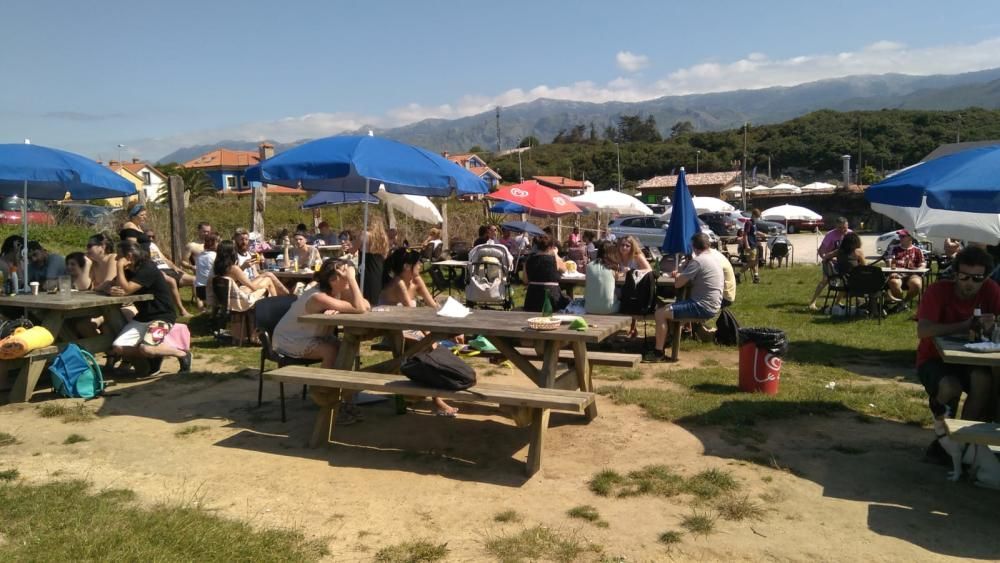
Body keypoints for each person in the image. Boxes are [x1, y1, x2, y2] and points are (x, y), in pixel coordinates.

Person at [916, 246, 1000, 462]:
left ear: (986, 277)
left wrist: (993, 327)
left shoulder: (991, 290)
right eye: (964, 276)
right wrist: (965, 325)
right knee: (950, 387)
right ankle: (942, 437)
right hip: (934, 358)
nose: (970, 283)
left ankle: (963, 439)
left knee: (984, 382)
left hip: (973, 358)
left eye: (977, 278)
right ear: (955, 274)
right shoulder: (938, 291)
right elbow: (923, 330)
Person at [379, 247, 460, 416]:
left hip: (411, 329)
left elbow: (434, 306)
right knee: (431, 350)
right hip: (394, 332)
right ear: (407, 266)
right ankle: (437, 400)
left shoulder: (416, 280)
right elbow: (412, 317)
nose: (421, 265)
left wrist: (452, 328)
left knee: (438, 347)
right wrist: (432, 337)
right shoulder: (399, 283)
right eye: (417, 263)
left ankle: (430, 392)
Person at [109, 240, 191, 374]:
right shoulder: (129, 270)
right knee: (118, 347)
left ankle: (182, 354)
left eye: (119, 255)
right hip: (143, 317)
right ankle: (155, 354)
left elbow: (127, 289)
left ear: (129, 256)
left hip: (162, 316)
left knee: (147, 348)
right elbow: (117, 285)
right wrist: (113, 289)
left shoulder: (148, 268)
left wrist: (119, 267)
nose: (116, 258)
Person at [273, 259, 369, 369]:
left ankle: (340, 379)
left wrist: (341, 309)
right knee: (331, 351)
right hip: (291, 338)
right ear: (333, 280)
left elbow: (366, 306)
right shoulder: (318, 297)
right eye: (345, 273)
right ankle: (323, 381)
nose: (349, 275)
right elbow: (360, 308)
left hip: (317, 336)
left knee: (347, 348)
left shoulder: (337, 289)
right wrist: (351, 280)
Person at [645, 233, 724, 362]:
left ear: (694, 247)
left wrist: (678, 276)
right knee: (667, 309)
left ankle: (658, 353)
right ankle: (666, 341)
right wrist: (682, 275)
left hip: (702, 306)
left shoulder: (698, 261)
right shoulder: (713, 259)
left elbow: (678, 284)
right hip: (712, 304)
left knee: (660, 313)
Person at [145, 228, 194, 317]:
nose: (151, 238)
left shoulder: (153, 245)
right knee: (172, 282)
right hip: (158, 271)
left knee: (195, 280)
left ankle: (200, 307)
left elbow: (164, 259)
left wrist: (175, 267)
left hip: (168, 269)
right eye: (148, 236)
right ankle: (182, 311)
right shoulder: (141, 247)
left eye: (153, 236)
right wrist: (158, 271)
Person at [213, 240, 288, 298]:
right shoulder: (234, 268)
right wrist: (264, 286)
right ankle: (278, 301)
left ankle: (284, 296)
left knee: (267, 275)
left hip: (228, 295)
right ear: (231, 252)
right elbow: (252, 287)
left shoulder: (218, 266)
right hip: (239, 296)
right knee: (268, 280)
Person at [808, 217, 851, 310]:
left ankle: (837, 302)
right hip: (830, 262)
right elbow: (820, 251)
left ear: (847, 226)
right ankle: (812, 302)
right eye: (840, 228)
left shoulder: (850, 234)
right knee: (825, 280)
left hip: (845, 263)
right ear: (836, 226)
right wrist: (827, 259)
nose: (843, 230)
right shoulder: (830, 235)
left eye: (845, 228)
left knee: (847, 280)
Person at [523, 234, 569, 312]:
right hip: (552, 299)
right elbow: (564, 269)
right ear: (551, 247)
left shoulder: (528, 260)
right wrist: (556, 254)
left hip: (532, 300)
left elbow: (525, 280)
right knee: (568, 300)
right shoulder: (555, 260)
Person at [886, 229, 925, 305]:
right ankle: (901, 304)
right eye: (899, 236)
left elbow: (922, 264)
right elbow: (889, 261)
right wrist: (893, 271)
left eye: (903, 236)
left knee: (917, 284)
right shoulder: (894, 248)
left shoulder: (917, 250)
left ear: (910, 238)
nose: (900, 238)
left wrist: (918, 270)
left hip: (912, 274)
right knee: (893, 282)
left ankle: (904, 302)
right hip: (897, 273)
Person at [357, 222, 390, 305]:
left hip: (366, 267)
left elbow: (353, 249)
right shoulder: (384, 237)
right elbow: (385, 256)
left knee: (365, 293)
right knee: (376, 292)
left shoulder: (364, 235)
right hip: (378, 267)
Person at [584, 241, 620, 314]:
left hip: (589, 308)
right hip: (610, 308)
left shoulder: (589, 266)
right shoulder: (613, 267)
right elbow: (616, 279)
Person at [194, 233, 218, 307]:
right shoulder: (215, 256)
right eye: (218, 242)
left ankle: (204, 310)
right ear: (214, 243)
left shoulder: (199, 255)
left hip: (199, 289)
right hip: (210, 288)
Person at [740, 209, 762, 284]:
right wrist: (747, 245)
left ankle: (756, 277)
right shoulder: (748, 223)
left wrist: (761, 234)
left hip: (754, 244)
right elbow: (745, 234)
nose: (758, 218)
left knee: (754, 262)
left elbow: (754, 232)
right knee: (752, 262)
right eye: (757, 216)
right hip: (749, 245)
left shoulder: (754, 223)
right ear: (753, 215)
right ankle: (738, 274)